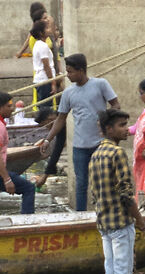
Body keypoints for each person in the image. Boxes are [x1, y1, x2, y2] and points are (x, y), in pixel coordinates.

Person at [89, 107, 140, 274]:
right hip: (120, 223)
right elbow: (126, 194)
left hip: (104, 224)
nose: (126, 129)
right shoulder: (117, 153)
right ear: (109, 129)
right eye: (121, 125)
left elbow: (94, 194)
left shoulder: (95, 155)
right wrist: (142, 223)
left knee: (110, 273)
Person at [47, 55, 118, 213]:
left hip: (100, 144)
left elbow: (115, 105)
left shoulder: (100, 84)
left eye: (70, 72)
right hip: (79, 146)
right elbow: (60, 119)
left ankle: (104, 213)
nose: (68, 75)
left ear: (81, 70)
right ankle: (80, 216)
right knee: (81, 184)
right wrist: (47, 140)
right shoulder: (68, 93)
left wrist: (107, 122)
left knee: (103, 182)